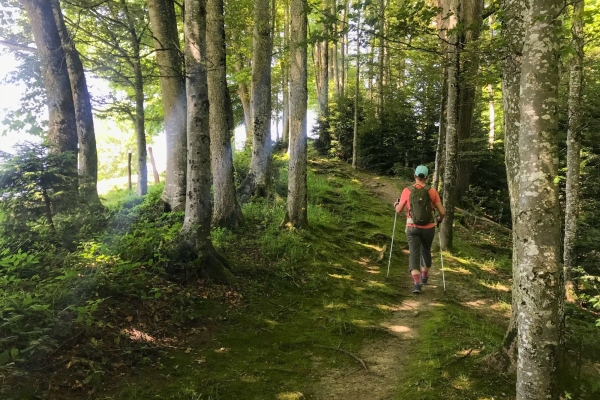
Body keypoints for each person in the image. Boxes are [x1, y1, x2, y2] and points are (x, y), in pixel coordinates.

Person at [394, 165, 446, 294]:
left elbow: (399, 210)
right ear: (427, 177)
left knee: (414, 253)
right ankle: (424, 276)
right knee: (426, 250)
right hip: (429, 227)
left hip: (412, 227)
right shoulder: (432, 191)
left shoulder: (407, 190)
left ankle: (416, 284)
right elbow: (443, 212)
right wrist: (439, 219)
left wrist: (396, 204)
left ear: (415, 176)